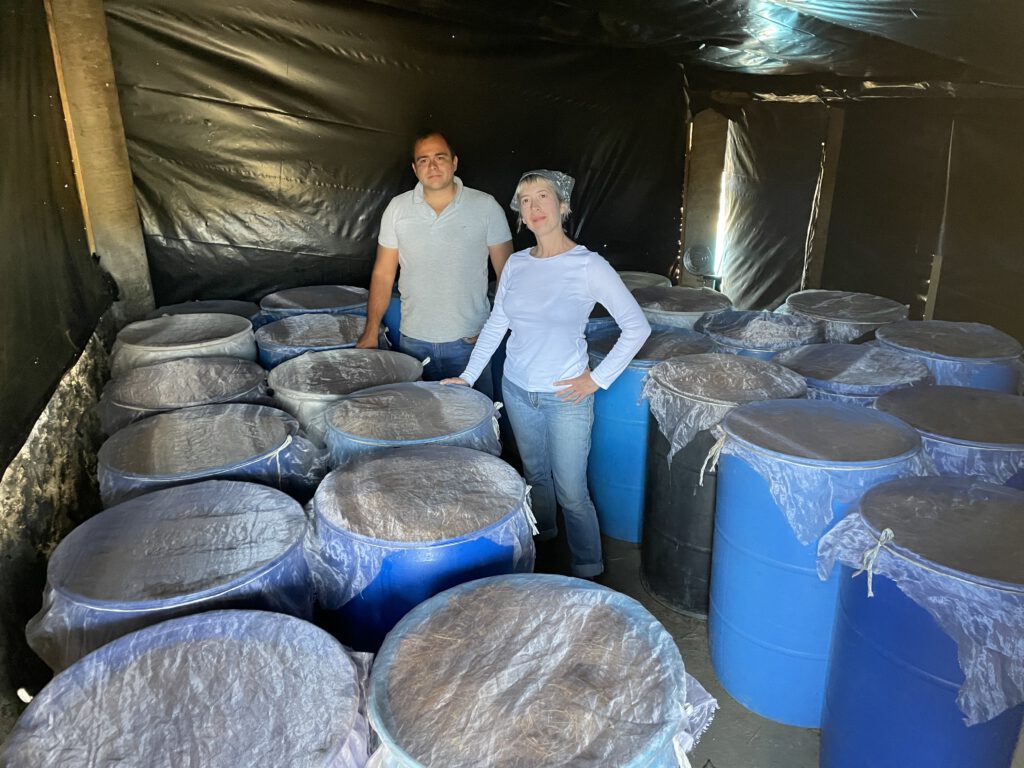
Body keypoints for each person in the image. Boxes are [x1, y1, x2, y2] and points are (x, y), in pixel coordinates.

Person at [443, 169, 651, 578]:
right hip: (518, 390)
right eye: (525, 200)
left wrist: (596, 379)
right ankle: (546, 540)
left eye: (543, 197)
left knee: (572, 492)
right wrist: (468, 377)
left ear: (563, 206)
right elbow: (496, 324)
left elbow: (636, 326)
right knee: (536, 476)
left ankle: (589, 568)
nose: (535, 207)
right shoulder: (517, 265)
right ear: (520, 214)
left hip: (566, 398)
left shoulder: (587, 265)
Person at [357, 131, 514, 380]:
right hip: (413, 342)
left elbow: (509, 274)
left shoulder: (485, 207)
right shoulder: (397, 209)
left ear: (454, 162)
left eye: (440, 157)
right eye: (423, 160)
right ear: (415, 168)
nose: (432, 166)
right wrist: (371, 330)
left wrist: (494, 329)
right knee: (420, 416)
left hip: (471, 342)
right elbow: (383, 274)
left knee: (474, 416)